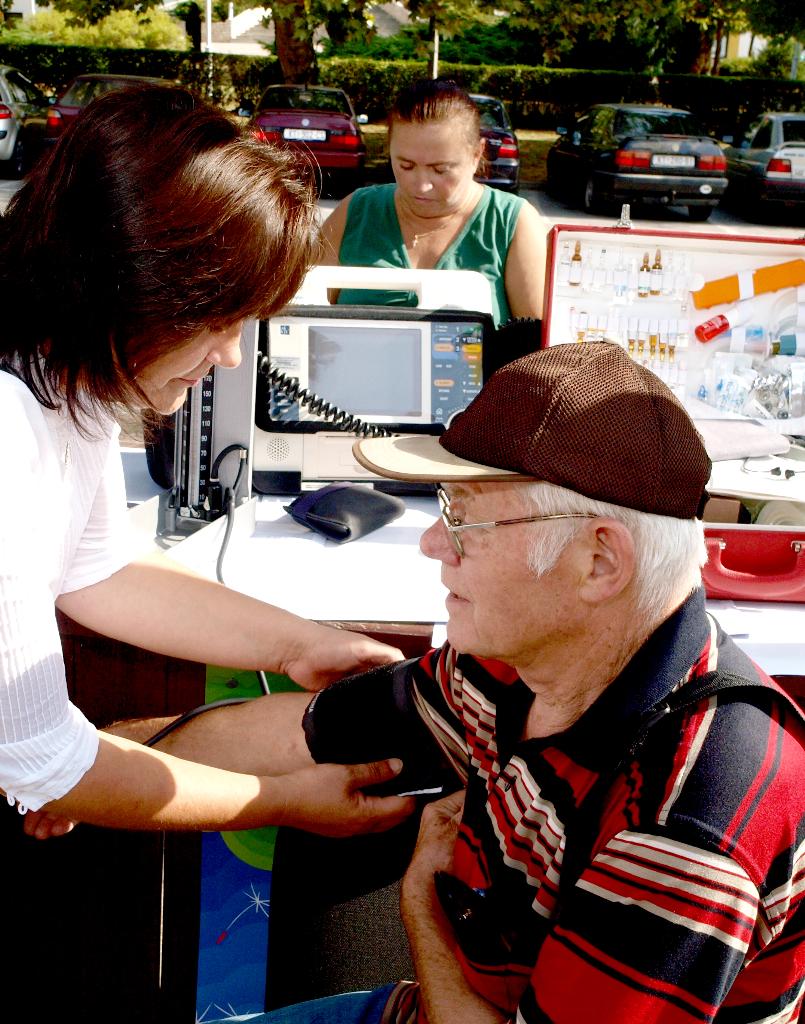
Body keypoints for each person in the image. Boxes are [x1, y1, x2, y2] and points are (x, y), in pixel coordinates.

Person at [157, 343, 804, 1022]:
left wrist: (421, 910)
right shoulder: (520, 663)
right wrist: (97, 760)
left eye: (467, 517)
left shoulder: (688, 819)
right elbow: (304, 735)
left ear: (598, 561)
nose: (432, 543)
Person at [0, 83, 417, 841]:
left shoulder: (69, 377)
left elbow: (100, 569)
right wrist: (281, 801)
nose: (230, 357)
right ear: (133, 285)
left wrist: (300, 643)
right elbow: (44, 763)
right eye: (221, 321)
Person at [319, 78, 547, 329]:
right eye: (406, 166)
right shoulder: (354, 212)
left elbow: (538, 346)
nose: (421, 185)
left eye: (440, 170)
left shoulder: (513, 223)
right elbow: (300, 313)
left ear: (476, 154)